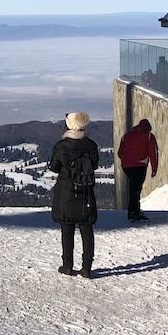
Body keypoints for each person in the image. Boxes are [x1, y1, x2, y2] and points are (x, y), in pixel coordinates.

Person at [48, 112, 100, 278]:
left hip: (66, 190)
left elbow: (54, 167)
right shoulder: (91, 144)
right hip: (85, 190)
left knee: (67, 227)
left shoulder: (61, 146)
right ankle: (86, 267)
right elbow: (95, 164)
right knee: (86, 229)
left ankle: (67, 265)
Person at [117, 118, 158, 222]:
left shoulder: (126, 136)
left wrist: (127, 159)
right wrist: (154, 168)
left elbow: (119, 153)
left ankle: (135, 210)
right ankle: (133, 212)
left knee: (134, 187)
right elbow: (153, 153)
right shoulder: (148, 136)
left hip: (126, 166)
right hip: (140, 164)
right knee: (136, 189)